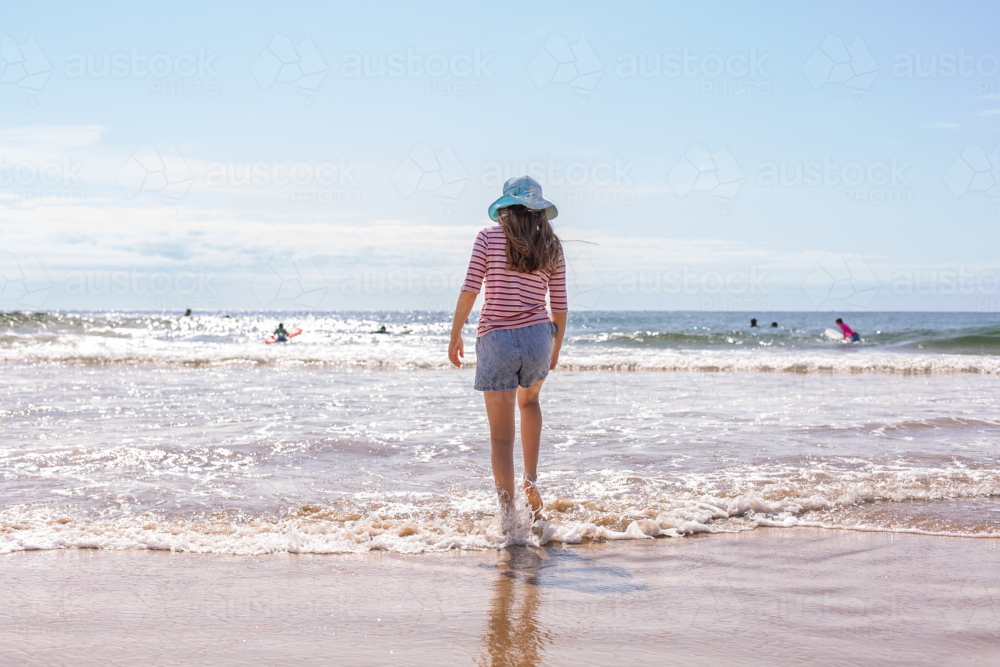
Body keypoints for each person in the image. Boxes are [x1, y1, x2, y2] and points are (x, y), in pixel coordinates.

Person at [448, 175, 567, 523]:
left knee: (501, 438)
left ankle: (506, 515)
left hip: (496, 339)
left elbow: (470, 289)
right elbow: (559, 305)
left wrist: (455, 334)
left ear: (505, 207)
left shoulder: (488, 237)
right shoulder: (552, 246)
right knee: (529, 402)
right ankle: (530, 480)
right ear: (539, 210)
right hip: (537, 339)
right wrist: (554, 346)